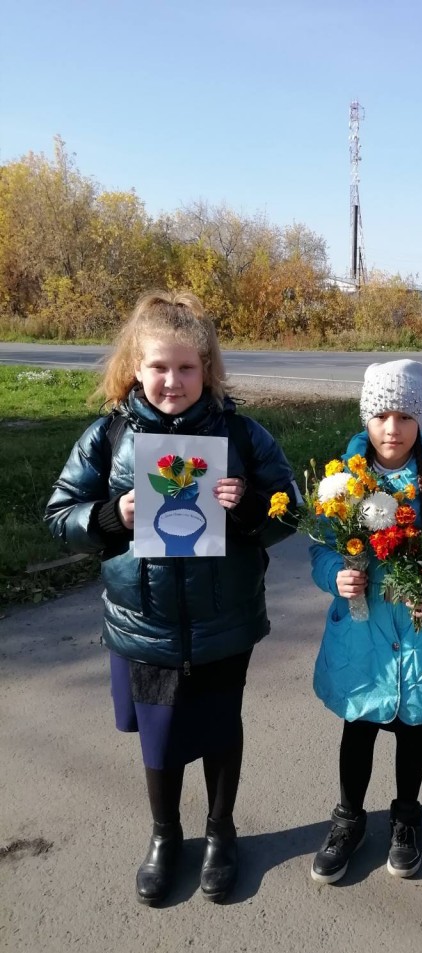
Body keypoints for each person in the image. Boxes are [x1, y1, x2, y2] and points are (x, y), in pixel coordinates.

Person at [45, 291, 298, 905]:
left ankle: (220, 832)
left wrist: (250, 509)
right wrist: (111, 515)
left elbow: (290, 509)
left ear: (207, 369)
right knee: (159, 736)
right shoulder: (109, 436)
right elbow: (59, 514)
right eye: (159, 366)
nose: (172, 381)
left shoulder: (240, 434)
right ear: (136, 366)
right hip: (146, 623)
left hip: (224, 622)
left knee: (220, 728)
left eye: (187, 367)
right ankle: (165, 835)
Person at [310, 360, 422, 884]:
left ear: (420, 420)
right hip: (362, 634)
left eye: (405, 416)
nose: (392, 428)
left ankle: (407, 817)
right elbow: (320, 549)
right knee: (358, 726)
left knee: (412, 729)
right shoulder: (340, 484)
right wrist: (335, 576)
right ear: (365, 417)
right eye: (381, 415)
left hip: (420, 636)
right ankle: (348, 818)